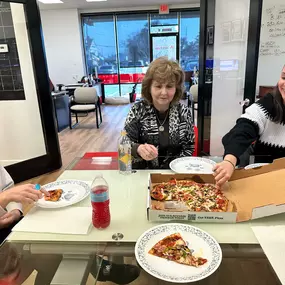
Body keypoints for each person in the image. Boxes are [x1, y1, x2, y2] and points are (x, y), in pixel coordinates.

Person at [0, 166, 140, 284]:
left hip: (12, 224)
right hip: (5, 248)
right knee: (51, 253)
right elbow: (5, 194)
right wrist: (3, 198)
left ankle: (99, 265)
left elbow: (7, 188)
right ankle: (100, 266)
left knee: (57, 234)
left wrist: (15, 210)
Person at [214, 65, 285, 187]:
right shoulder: (268, 104)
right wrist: (229, 161)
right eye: (284, 77)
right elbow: (243, 129)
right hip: (263, 182)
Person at [124, 57, 195, 169]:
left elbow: (189, 148)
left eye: (169, 86)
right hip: (143, 174)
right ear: (149, 87)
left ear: (176, 88)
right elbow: (124, 143)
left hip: (175, 175)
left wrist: (176, 169)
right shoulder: (137, 110)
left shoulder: (184, 112)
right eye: (158, 86)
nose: (164, 92)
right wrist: (138, 148)